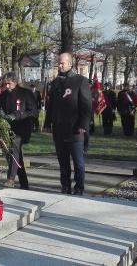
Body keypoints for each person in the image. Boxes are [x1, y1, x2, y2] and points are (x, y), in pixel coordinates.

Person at [43, 53, 92, 196]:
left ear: (70, 64)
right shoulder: (55, 83)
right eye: (58, 63)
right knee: (63, 162)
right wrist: (47, 122)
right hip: (59, 129)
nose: (59, 65)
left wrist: (83, 123)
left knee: (78, 163)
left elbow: (86, 105)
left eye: (62, 63)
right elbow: (51, 104)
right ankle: (65, 186)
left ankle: (79, 187)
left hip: (75, 129)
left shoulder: (80, 81)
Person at [0, 72, 37, 190]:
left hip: (23, 129)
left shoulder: (26, 93)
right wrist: (1, 113)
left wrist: (17, 116)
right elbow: (0, 108)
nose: (7, 86)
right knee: (16, 156)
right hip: (9, 130)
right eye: (5, 84)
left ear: (15, 82)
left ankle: (10, 178)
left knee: (15, 145)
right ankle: (24, 184)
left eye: (9, 84)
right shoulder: (3, 95)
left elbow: (33, 112)